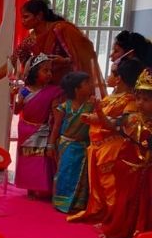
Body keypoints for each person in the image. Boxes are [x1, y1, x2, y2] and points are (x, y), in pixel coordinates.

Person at [0, 0, 102, 98]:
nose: (23, 21)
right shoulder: (31, 39)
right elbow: (12, 63)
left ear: (39, 16)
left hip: (68, 89)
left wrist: (65, 61)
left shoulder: (61, 29)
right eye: (22, 17)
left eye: (26, 17)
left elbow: (86, 54)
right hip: (46, 90)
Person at [69, 58, 144, 223]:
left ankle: (112, 219)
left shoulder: (129, 100)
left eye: (111, 73)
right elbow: (103, 116)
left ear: (119, 78)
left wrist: (96, 116)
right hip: (97, 147)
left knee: (110, 186)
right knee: (98, 187)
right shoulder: (112, 97)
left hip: (111, 148)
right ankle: (102, 214)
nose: (107, 77)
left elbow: (118, 124)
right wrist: (92, 116)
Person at [98, 68, 152, 238]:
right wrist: (99, 112)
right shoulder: (132, 118)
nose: (140, 103)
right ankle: (120, 228)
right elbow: (111, 125)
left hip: (148, 171)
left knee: (146, 201)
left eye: (146, 100)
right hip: (129, 169)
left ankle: (141, 233)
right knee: (125, 199)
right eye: (138, 98)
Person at [13, 54, 61, 197]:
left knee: (40, 160)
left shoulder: (53, 92)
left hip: (42, 130)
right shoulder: (25, 90)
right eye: (45, 70)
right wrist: (12, 96)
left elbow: (57, 117)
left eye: (50, 71)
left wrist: (52, 141)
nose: (49, 74)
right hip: (25, 129)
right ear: (35, 72)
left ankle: (41, 187)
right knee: (28, 159)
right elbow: (16, 111)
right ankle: (30, 188)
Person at [51, 72, 94, 213]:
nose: (91, 86)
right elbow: (56, 126)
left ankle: (77, 204)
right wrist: (50, 144)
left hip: (83, 146)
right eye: (86, 83)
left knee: (80, 175)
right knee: (65, 172)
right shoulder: (65, 106)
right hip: (67, 145)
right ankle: (61, 202)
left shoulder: (92, 106)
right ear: (77, 89)